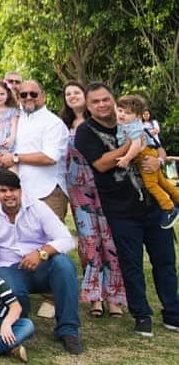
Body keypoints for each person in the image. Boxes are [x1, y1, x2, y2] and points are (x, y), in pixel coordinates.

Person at [76, 83, 179, 337]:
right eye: (95, 102)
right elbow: (100, 164)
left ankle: (173, 313)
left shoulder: (134, 120)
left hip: (152, 206)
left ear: (113, 100)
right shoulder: (86, 132)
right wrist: (132, 148)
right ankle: (141, 314)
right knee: (131, 264)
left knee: (165, 260)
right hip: (121, 210)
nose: (102, 105)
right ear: (88, 107)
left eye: (105, 99)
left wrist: (159, 159)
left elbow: (159, 146)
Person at [0, 169, 82, 355]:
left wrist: (41, 253)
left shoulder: (37, 207)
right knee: (8, 284)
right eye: (2, 190)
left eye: (13, 190)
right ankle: (19, 328)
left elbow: (66, 239)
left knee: (64, 265)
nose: (9, 195)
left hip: (41, 265)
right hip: (7, 266)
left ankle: (68, 331)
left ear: (20, 190)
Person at [60, 81, 125, 318]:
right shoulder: (62, 124)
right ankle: (94, 295)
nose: (72, 96)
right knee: (89, 241)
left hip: (104, 184)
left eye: (76, 92)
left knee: (110, 240)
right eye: (68, 94)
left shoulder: (101, 122)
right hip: (78, 188)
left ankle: (115, 296)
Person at [0, 81, 69, 225]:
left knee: (51, 242)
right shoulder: (18, 120)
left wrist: (15, 158)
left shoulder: (53, 123)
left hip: (48, 192)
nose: (28, 97)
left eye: (33, 94)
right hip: (23, 192)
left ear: (43, 96)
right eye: (23, 94)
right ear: (18, 98)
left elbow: (50, 157)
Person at [115, 94, 178, 228]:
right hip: (147, 153)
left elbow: (137, 145)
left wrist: (126, 158)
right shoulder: (124, 124)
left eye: (127, 113)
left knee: (151, 185)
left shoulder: (133, 126)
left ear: (137, 116)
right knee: (162, 181)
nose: (122, 115)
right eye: (120, 110)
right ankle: (177, 198)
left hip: (144, 156)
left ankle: (169, 209)